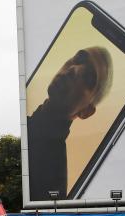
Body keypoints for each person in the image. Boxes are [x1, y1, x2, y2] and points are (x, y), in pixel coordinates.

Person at [27, 46, 113, 200]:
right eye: (79, 58)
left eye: (89, 78)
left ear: (86, 112)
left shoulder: (52, 175)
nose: (74, 69)